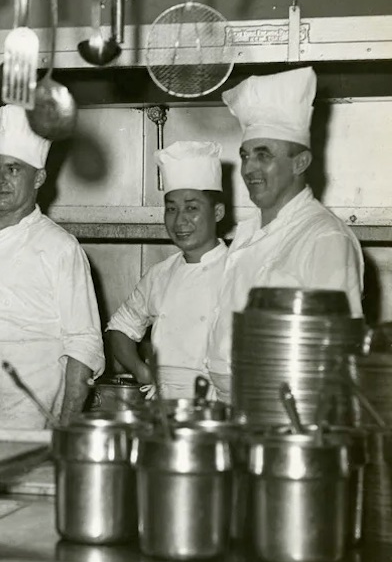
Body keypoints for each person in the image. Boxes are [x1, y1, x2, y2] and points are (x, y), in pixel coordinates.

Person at [207, 67, 364, 397]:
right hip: (228, 407)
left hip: (284, 413)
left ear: (300, 162)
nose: (249, 169)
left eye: (264, 155)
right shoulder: (247, 233)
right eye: (246, 156)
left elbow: (338, 355)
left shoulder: (324, 238)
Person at [0, 105, 104, 428]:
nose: (0, 180)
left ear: (40, 177)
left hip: (30, 409)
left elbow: (83, 346)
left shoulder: (60, 247)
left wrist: (66, 427)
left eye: (14, 169)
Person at [106, 141, 228, 400]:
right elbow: (119, 328)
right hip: (162, 412)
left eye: (192, 208)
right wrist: (142, 371)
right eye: (171, 208)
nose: (179, 220)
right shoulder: (159, 274)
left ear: (217, 212)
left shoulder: (240, 271)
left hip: (219, 412)